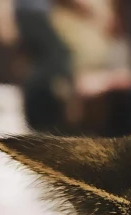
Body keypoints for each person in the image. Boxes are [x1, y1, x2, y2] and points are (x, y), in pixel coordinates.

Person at [14, 0, 90, 132]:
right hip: (31, 12)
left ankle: (37, 114)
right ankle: (38, 115)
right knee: (60, 57)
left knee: (48, 62)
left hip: (30, 13)